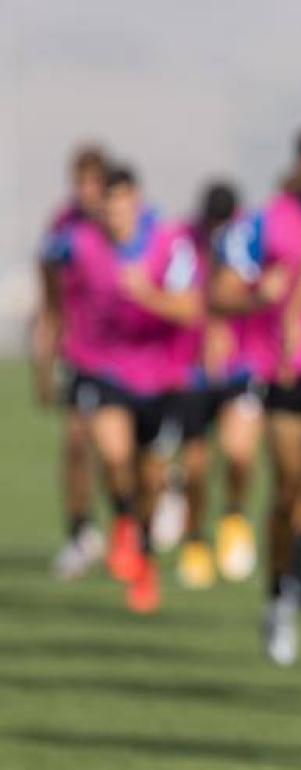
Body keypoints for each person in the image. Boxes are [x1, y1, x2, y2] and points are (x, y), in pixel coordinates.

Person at [44, 166, 205, 614]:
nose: (115, 215)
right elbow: (50, 270)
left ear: (136, 201)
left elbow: (191, 309)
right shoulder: (79, 242)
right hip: (102, 368)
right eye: (107, 207)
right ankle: (122, 524)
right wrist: (52, 335)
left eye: (122, 204)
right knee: (112, 454)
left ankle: (146, 559)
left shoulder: (170, 244)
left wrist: (148, 294)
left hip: (159, 376)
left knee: (150, 476)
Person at [212, 127, 301, 665]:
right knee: (289, 486)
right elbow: (219, 293)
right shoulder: (265, 222)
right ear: (299, 172)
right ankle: (279, 597)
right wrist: (254, 294)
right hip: (284, 373)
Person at [175, 181, 262, 589]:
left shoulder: (250, 241)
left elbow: (257, 296)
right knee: (194, 467)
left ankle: (234, 515)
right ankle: (194, 539)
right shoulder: (183, 245)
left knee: (239, 452)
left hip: (239, 368)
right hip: (190, 372)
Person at [33, 145, 110, 580]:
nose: (86, 192)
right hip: (81, 353)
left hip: (131, 360)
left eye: (93, 182)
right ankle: (80, 533)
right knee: (77, 442)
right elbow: (50, 293)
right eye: (79, 182)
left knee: (124, 450)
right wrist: (46, 347)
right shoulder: (63, 229)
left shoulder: (132, 224)